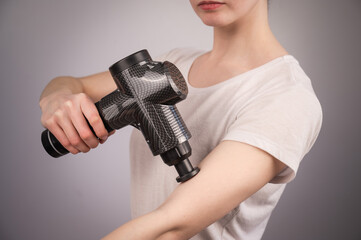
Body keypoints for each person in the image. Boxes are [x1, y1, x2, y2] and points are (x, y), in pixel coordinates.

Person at [39, 0, 322, 239]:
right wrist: (57, 99)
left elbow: (172, 225)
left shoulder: (287, 97)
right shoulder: (173, 64)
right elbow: (69, 83)